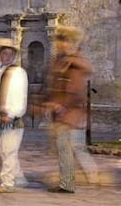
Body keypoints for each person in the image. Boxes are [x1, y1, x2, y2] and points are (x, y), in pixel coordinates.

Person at [45, 26, 98, 194]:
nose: (62, 45)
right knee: (67, 148)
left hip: (69, 114)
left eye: (66, 42)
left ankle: (68, 184)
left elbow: (76, 90)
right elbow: (55, 85)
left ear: (71, 44)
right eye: (61, 42)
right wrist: (51, 102)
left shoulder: (75, 63)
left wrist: (63, 105)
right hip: (61, 114)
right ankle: (74, 179)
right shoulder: (60, 61)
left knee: (66, 147)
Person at [0, 38, 28, 193]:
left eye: (9, 54)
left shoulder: (18, 72)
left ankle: (8, 183)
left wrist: (12, 113)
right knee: (3, 150)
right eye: (4, 53)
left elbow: (20, 95)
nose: (6, 57)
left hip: (10, 117)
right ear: (0, 55)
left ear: (14, 56)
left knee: (9, 150)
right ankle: (19, 178)